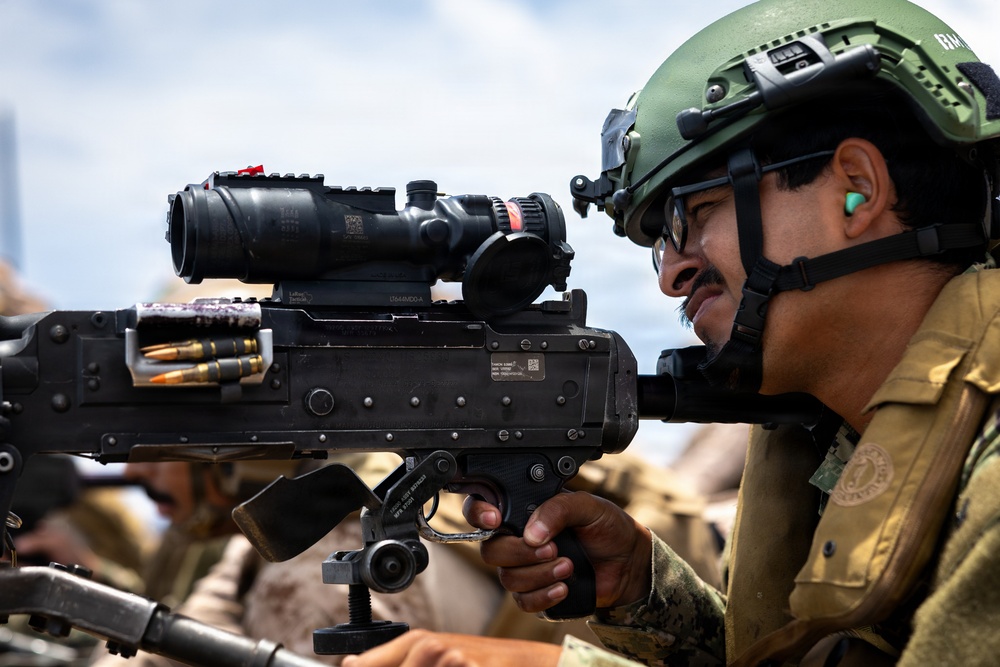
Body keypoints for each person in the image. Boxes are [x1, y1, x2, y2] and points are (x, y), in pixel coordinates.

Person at [338, 0, 1000, 665]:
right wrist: (645, 591)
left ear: (857, 190)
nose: (672, 275)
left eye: (694, 213)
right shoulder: (842, 444)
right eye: (662, 242)